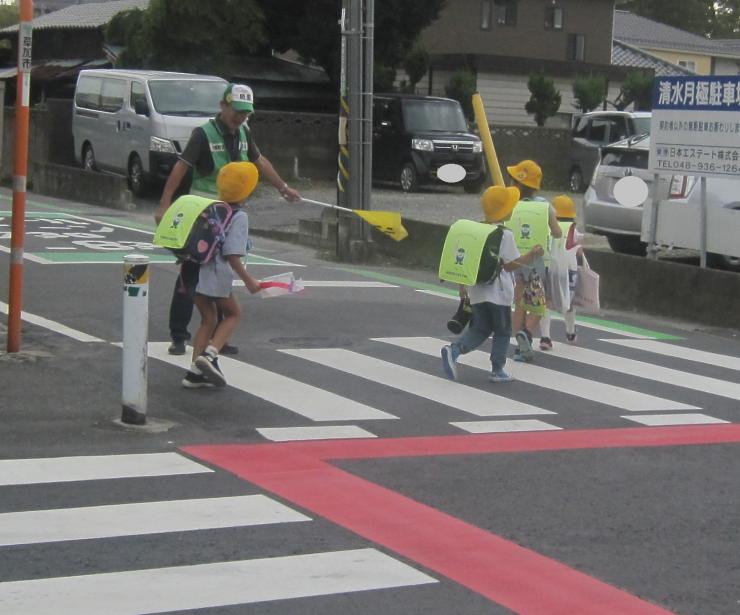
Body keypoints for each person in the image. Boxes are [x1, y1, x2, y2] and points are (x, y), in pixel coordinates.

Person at [154, 82, 301, 356]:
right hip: (203, 216)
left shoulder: (244, 132)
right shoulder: (203, 134)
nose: (241, 117)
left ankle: (216, 336)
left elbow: (260, 161)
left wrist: (283, 188)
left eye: (245, 113)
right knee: (191, 274)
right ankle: (178, 335)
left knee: (219, 275)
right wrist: (165, 204)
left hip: (228, 215)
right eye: (237, 111)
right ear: (223, 106)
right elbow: (181, 167)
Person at [441, 185, 545, 383]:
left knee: (480, 328)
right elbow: (510, 266)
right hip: (499, 293)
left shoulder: (477, 231)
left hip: (477, 291)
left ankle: (454, 350)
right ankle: (498, 369)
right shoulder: (505, 235)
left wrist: (463, 286)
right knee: (503, 330)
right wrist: (532, 255)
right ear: (506, 210)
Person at [183, 161, 263, 389]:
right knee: (233, 313)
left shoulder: (211, 207)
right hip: (216, 274)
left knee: (208, 320)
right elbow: (232, 254)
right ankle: (209, 355)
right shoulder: (238, 216)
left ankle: (194, 373)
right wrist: (249, 280)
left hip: (196, 271)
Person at [505, 160, 562, 361]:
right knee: (540, 303)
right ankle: (527, 333)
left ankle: (520, 348)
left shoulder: (511, 205)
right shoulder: (544, 206)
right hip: (537, 262)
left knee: (519, 303)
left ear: (518, 184)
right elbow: (557, 232)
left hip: (517, 260)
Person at [539, 194, 582, 346]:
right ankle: (570, 332)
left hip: (549, 268)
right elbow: (577, 251)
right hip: (569, 271)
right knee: (569, 303)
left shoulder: (548, 228)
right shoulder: (573, 230)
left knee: (546, 303)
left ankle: (545, 337)